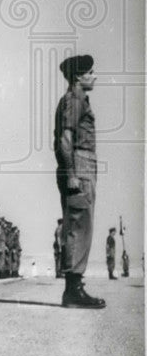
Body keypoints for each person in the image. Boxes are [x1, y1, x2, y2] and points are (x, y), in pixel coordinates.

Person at [53, 54, 104, 309]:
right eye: (90, 72)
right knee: (78, 225)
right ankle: (73, 291)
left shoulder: (77, 99)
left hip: (83, 165)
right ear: (78, 77)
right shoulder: (75, 99)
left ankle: (75, 287)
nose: (94, 76)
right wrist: (72, 173)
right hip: (79, 166)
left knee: (82, 225)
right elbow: (65, 139)